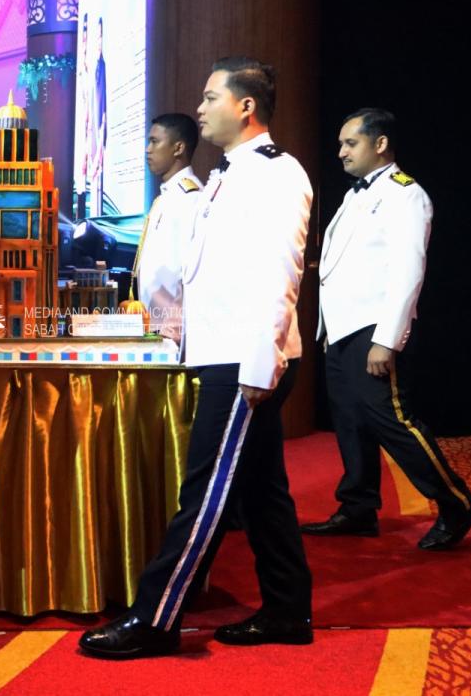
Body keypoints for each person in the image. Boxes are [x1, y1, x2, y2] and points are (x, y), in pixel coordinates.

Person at [79, 57, 314, 659]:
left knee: (204, 490)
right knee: (259, 489)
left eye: (211, 97)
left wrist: (259, 362)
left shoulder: (276, 173)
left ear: (246, 106)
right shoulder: (228, 174)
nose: (201, 107)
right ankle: (287, 609)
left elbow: (281, 272)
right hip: (224, 352)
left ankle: (155, 618)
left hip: (245, 358)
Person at [301, 108, 471, 550]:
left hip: (373, 329)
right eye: (341, 144)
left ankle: (458, 502)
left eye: (351, 143)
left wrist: (387, 339)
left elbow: (408, 272)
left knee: (394, 422)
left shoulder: (406, 194)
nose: (341, 152)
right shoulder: (356, 194)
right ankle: (358, 507)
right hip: (341, 329)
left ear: (380, 144)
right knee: (350, 421)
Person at [136, 112, 202, 341]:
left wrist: (173, 329)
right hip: (154, 323)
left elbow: (190, 272)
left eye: (155, 142)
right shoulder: (168, 195)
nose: (148, 149)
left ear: (178, 148)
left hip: (170, 330)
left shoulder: (190, 198)